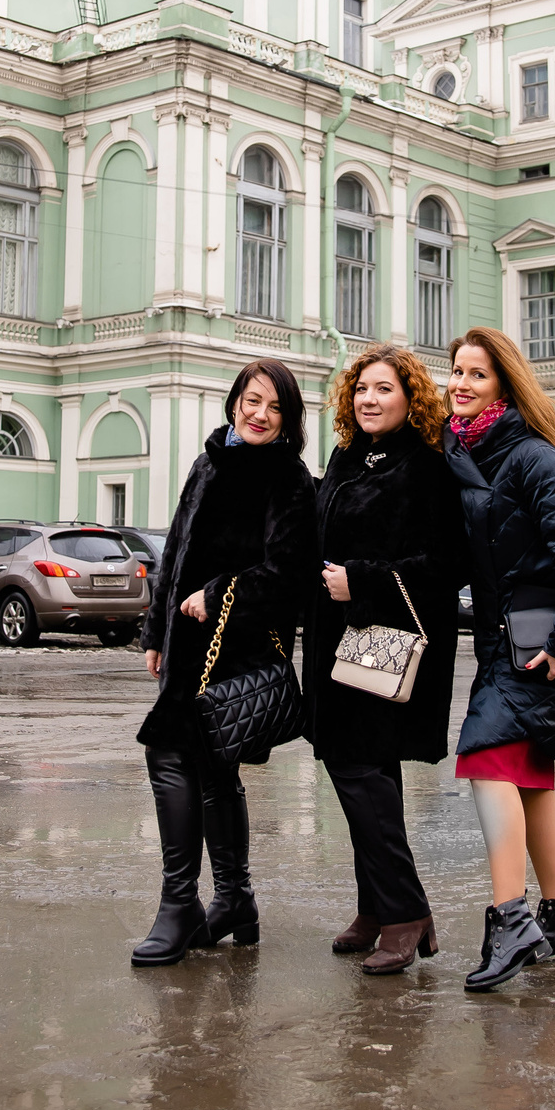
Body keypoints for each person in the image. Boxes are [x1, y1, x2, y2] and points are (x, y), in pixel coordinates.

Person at [131, 360, 319, 966]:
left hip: (235, 648)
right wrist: (156, 630)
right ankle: (234, 900)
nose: (258, 414)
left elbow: (289, 576)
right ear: (234, 401)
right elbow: (176, 549)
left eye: (273, 407)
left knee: (170, 753)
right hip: (186, 647)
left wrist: (218, 595)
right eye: (251, 400)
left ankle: (179, 905)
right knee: (210, 769)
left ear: (288, 419)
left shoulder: (289, 479)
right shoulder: (208, 462)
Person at [445, 325, 555, 993]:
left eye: (477, 373)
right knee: (531, 776)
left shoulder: (534, 457)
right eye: (455, 370)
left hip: (544, 645)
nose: (461, 382)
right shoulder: (463, 453)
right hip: (504, 641)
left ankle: (511, 919)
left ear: (503, 387)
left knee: (484, 758)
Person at [305, 342, 466, 975]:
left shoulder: (426, 466)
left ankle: (407, 914)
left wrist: (365, 581)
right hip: (333, 644)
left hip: (385, 646)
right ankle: (376, 907)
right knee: (368, 778)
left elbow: (448, 563)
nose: (369, 399)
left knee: (360, 773)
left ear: (410, 399)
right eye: (361, 389)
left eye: (383, 389)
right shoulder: (345, 458)